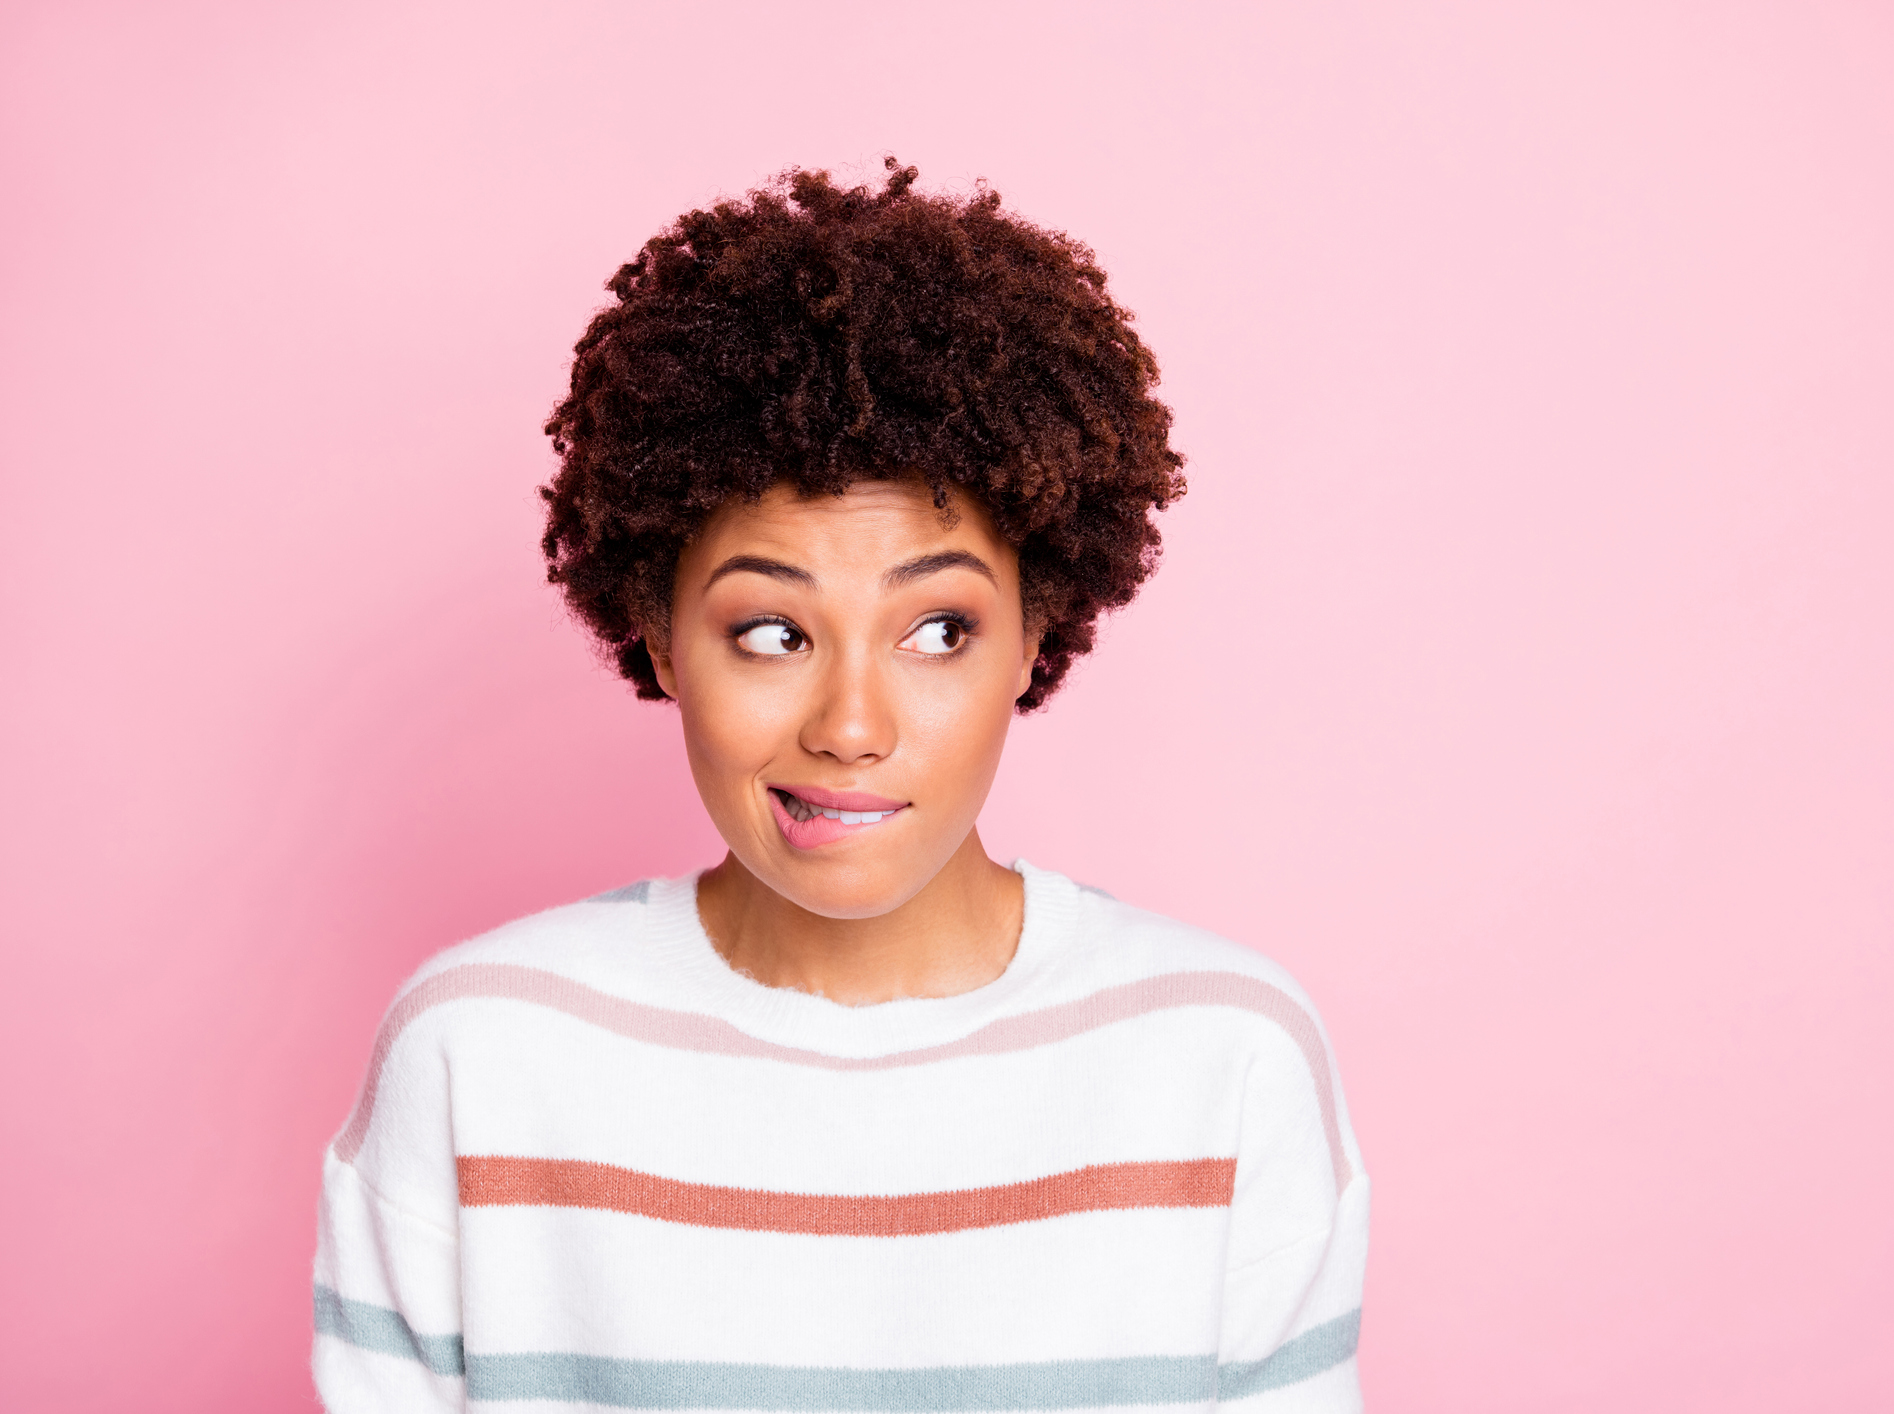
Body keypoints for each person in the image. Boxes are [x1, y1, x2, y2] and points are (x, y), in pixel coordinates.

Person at [311, 160, 1369, 1412]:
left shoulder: (1226, 1058)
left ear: (1036, 632)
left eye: (937, 632)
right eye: (771, 632)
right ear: (657, 634)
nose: (852, 728)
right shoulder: (478, 1055)